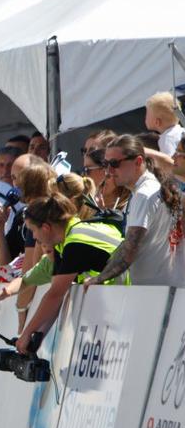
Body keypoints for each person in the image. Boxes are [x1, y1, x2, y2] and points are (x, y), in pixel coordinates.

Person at [19, 193, 125, 354]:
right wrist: (37, 337)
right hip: (117, 297)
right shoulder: (67, 237)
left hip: (124, 297)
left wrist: (26, 333)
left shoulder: (75, 243)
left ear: (46, 228)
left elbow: (55, 295)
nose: (33, 236)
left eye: (32, 230)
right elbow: (55, 298)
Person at [86, 134, 185, 288]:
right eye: (106, 164)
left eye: (115, 163)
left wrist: (99, 279)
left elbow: (129, 251)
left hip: (158, 290)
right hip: (165, 288)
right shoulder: (148, 188)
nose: (109, 171)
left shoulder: (144, 194)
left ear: (138, 161)